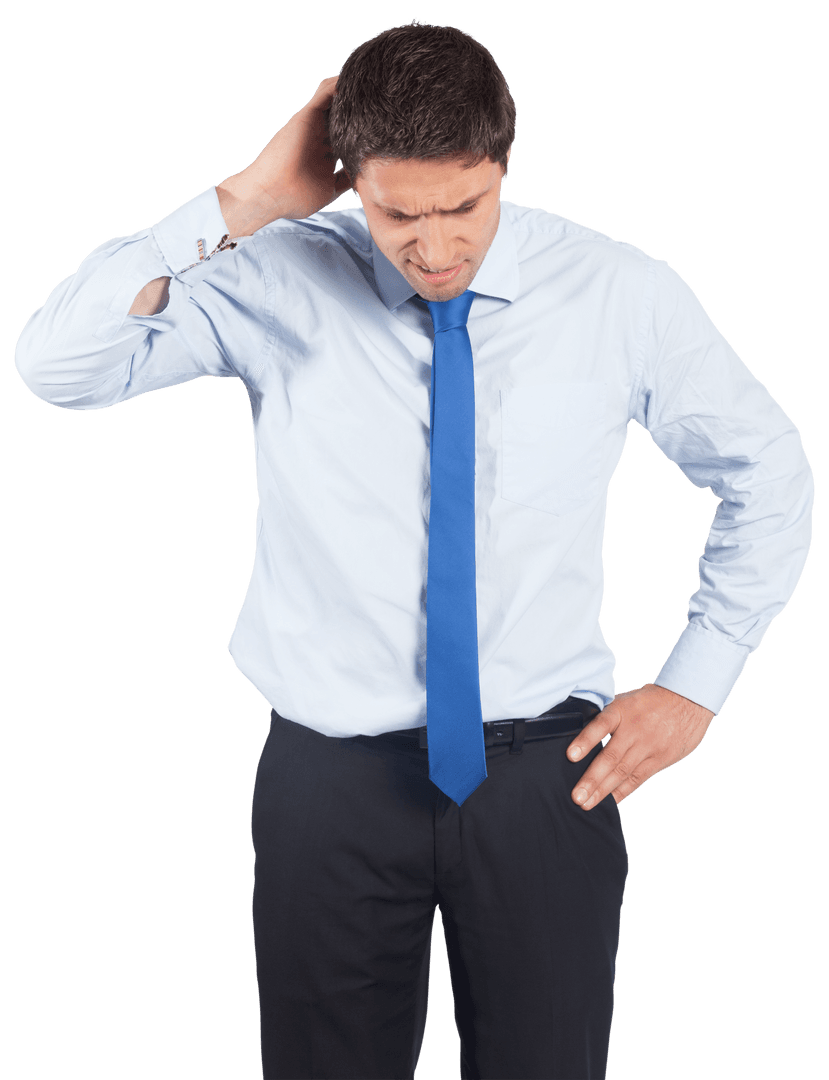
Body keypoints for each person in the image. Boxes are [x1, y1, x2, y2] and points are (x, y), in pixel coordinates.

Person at [14, 19, 813, 1080]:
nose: (434, 248)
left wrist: (698, 683)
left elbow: (766, 471)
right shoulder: (277, 275)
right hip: (326, 778)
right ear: (346, 178)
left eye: (463, 208)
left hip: (548, 777)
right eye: (396, 214)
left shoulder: (618, 291)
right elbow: (57, 368)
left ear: (502, 164)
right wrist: (244, 202)